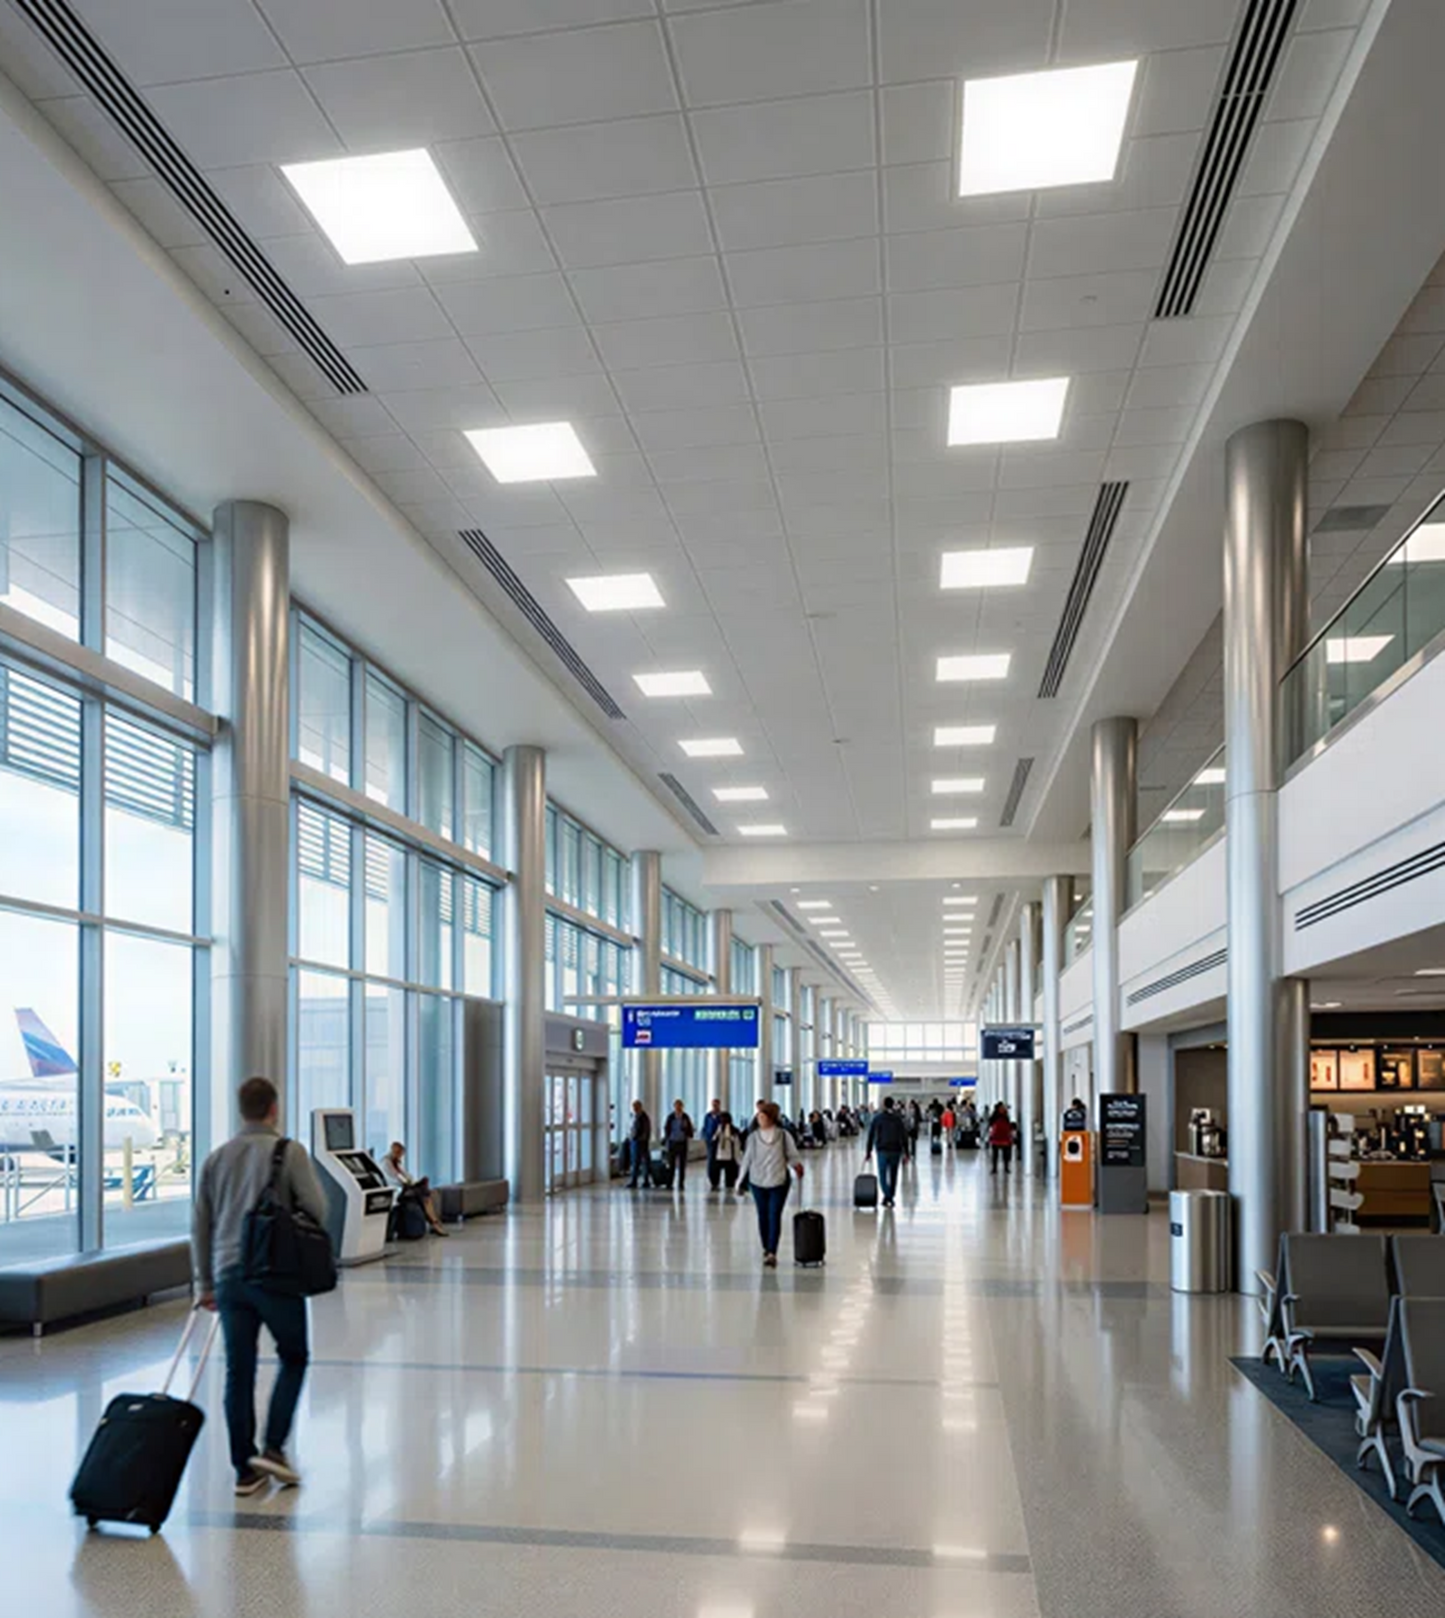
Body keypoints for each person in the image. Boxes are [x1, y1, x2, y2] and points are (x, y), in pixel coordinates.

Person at [192, 1076, 327, 1497]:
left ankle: (244, 1472)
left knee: (239, 1370)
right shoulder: (289, 1152)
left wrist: (205, 1283)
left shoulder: (216, 1159)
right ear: (273, 1109)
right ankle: (273, 1447)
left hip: (230, 1277)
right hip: (276, 1275)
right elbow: (318, 1209)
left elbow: (200, 1226)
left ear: (242, 1110)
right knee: (294, 1356)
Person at [736, 1100, 804, 1267]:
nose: (759, 1119)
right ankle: (766, 1246)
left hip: (778, 1181)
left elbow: (792, 1154)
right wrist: (739, 1182)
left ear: (771, 1118)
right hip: (757, 1182)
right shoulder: (752, 1137)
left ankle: (772, 1251)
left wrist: (797, 1166)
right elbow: (746, 1160)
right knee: (763, 1216)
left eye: (762, 1116)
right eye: (758, 1116)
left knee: (774, 1215)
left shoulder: (783, 1135)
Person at [381, 1141, 448, 1237]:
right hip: (397, 1191)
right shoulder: (386, 1164)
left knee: (424, 1193)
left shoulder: (397, 1164)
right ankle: (434, 1222)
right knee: (424, 1194)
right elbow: (393, 1180)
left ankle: (434, 1222)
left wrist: (412, 1182)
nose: (400, 1156)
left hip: (404, 1188)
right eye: (399, 1153)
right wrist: (407, 1183)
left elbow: (407, 1176)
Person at [864, 1096, 909, 1208]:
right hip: (896, 1150)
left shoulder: (877, 1118)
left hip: (882, 1150)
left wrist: (868, 1151)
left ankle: (888, 1196)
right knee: (894, 1175)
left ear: (883, 1105)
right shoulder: (898, 1119)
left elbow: (871, 1135)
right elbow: (904, 1136)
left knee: (883, 1175)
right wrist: (906, 1152)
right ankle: (890, 1197)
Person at [663, 1098, 695, 1188]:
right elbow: (666, 1128)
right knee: (671, 1164)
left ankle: (681, 1182)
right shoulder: (671, 1117)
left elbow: (690, 1128)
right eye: (676, 1106)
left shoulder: (685, 1117)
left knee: (682, 1164)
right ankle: (669, 1182)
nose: (678, 1108)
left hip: (682, 1142)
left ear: (682, 1107)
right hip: (672, 1142)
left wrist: (687, 1132)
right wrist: (667, 1139)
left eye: (680, 1106)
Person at [626, 1100, 654, 1188]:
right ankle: (638, 1180)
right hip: (636, 1142)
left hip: (640, 1143)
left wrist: (639, 1139)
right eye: (634, 1107)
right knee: (638, 1162)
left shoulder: (643, 1117)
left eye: (635, 1107)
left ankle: (642, 1181)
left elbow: (645, 1131)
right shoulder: (636, 1116)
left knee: (640, 1162)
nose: (634, 1109)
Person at [712, 1109, 742, 1191]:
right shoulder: (718, 1128)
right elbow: (714, 1139)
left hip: (729, 1156)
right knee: (715, 1173)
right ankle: (716, 1183)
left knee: (730, 1176)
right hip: (719, 1155)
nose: (723, 1121)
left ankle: (730, 1184)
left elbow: (736, 1143)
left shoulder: (733, 1130)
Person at [701, 1097, 726, 1190]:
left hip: (719, 1142)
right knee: (711, 1160)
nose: (715, 1106)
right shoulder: (708, 1116)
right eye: (713, 1105)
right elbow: (705, 1127)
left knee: (717, 1161)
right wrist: (705, 1137)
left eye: (716, 1105)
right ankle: (712, 1179)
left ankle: (717, 1179)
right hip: (710, 1141)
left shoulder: (722, 1116)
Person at [988, 1102, 1015, 1176]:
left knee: (1006, 1153)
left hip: (1005, 1136)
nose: (1002, 1109)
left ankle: (1006, 1168)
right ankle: (994, 1168)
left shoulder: (1005, 1115)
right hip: (996, 1136)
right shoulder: (995, 1116)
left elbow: (1008, 1124)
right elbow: (990, 1123)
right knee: (995, 1154)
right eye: (1001, 1108)